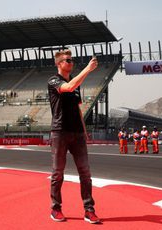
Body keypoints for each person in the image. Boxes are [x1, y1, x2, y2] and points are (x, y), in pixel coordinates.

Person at [47, 50, 100, 224]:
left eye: (72, 60)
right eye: (67, 60)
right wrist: (88, 69)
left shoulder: (76, 84)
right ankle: (56, 208)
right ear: (59, 63)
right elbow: (68, 87)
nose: (71, 62)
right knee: (57, 173)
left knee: (85, 174)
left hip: (77, 134)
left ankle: (89, 210)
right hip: (60, 132)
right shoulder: (53, 81)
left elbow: (78, 109)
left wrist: (84, 132)